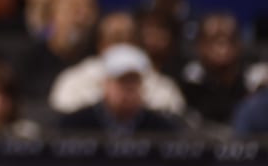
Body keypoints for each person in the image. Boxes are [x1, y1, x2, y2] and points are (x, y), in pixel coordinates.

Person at [57, 45, 186, 136]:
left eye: (134, 81)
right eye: (122, 81)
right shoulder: (76, 124)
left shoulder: (161, 127)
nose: (129, 88)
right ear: (106, 84)